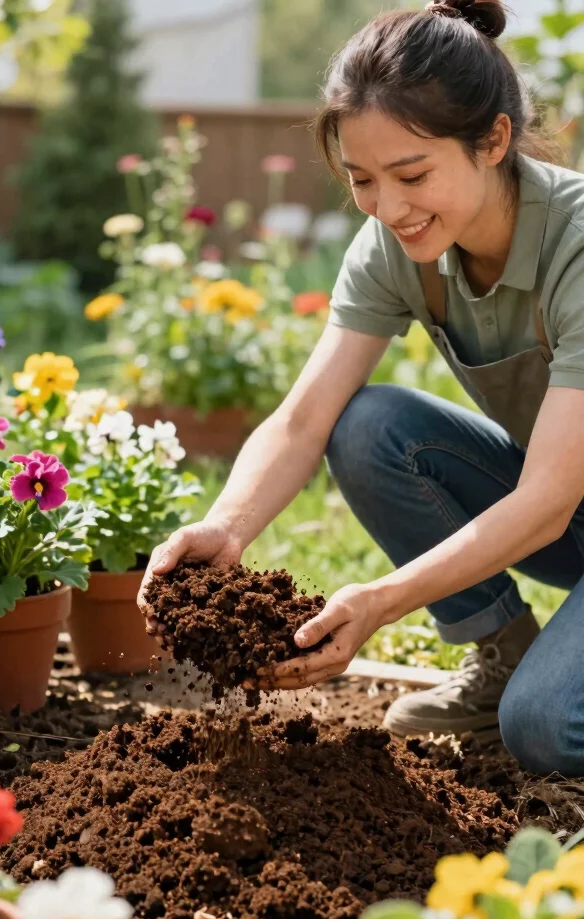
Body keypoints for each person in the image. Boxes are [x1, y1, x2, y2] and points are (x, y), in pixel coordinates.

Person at [138, 0, 584, 778]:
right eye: (363, 180)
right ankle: (501, 650)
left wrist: (380, 600)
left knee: (546, 729)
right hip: (567, 515)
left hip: (556, 505)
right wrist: (226, 527)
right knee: (369, 424)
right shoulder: (397, 246)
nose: (390, 208)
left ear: (493, 141)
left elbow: (546, 499)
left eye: (413, 175)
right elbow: (304, 418)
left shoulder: (574, 246)